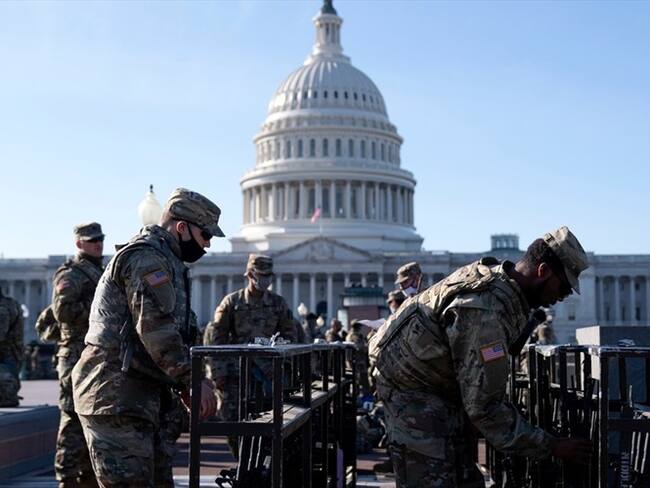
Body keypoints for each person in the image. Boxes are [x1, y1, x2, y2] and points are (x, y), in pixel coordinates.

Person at [370, 226, 593, 487]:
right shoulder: (486, 310)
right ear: (543, 271)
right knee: (434, 479)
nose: (564, 295)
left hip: (434, 386)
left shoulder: (499, 283)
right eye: (564, 285)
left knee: (466, 478)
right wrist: (552, 446)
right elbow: (485, 407)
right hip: (412, 393)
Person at [72, 188, 220, 488]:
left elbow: (179, 332)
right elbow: (156, 329)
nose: (207, 245)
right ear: (182, 227)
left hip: (139, 399)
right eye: (206, 235)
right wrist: (190, 379)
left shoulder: (168, 262)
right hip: (115, 398)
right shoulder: (145, 258)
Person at [203, 253, 295, 458]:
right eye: (262, 275)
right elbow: (214, 339)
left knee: (271, 426)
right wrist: (219, 374)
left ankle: (263, 468)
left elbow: (290, 338)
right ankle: (242, 463)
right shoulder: (231, 302)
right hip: (235, 376)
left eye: (269, 275)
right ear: (250, 275)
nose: (266, 280)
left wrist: (283, 369)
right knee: (233, 424)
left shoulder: (278, 304)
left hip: (268, 377)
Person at [51, 222, 105, 488]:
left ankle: (88, 477)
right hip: (74, 355)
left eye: (100, 239)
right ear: (79, 243)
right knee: (72, 418)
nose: (98, 243)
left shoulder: (101, 271)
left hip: (97, 356)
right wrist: (99, 309)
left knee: (93, 416)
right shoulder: (70, 274)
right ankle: (67, 478)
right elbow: (62, 312)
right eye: (92, 239)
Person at [0, 288, 23, 407]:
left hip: (5, 355)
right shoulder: (11, 303)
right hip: (12, 355)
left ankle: (7, 394)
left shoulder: (3, 309)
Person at [346, 319, 370, 397]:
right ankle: (357, 399)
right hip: (356, 362)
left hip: (359, 362)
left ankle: (363, 398)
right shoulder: (352, 336)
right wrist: (365, 347)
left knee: (362, 381)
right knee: (356, 382)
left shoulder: (358, 335)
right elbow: (357, 347)